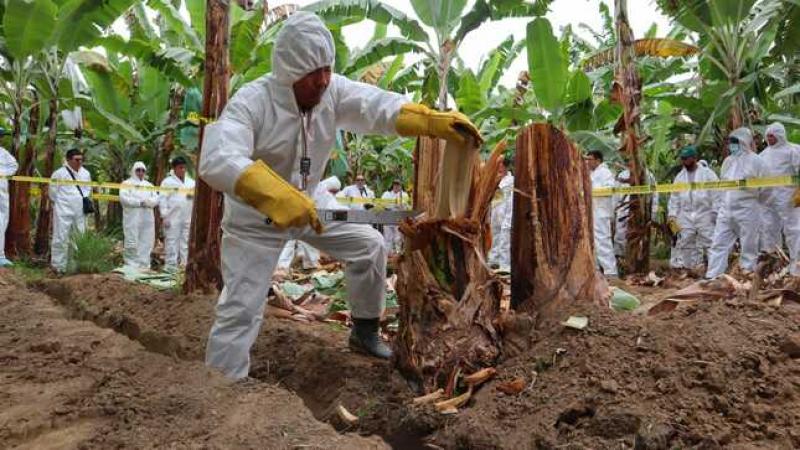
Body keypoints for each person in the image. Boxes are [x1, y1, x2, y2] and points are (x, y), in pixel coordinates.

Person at [199, 11, 481, 380]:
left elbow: (375, 105)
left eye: (327, 69)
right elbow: (217, 157)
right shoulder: (252, 103)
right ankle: (221, 383)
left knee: (370, 245)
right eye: (313, 73)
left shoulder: (333, 93)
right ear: (288, 72)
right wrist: (272, 193)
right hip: (256, 222)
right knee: (241, 307)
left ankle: (364, 332)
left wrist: (429, 120)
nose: (323, 81)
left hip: (314, 205)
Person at [706, 128, 769, 279]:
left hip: (748, 210)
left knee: (749, 245)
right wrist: (720, 205)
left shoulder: (757, 161)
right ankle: (713, 276)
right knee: (718, 243)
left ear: (744, 142)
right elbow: (723, 185)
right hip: (726, 210)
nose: (731, 145)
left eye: (735, 142)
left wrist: (757, 205)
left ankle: (745, 275)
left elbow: (767, 188)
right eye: (730, 142)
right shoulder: (728, 162)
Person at [667, 146, 720, 270]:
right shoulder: (680, 177)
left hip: (704, 213)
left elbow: (717, 194)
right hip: (685, 214)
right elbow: (674, 198)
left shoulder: (708, 174)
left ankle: (715, 271)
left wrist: (715, 212)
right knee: (685, 241)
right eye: (683, 159)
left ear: (694, 158)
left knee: (710, 241)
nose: (684, 162)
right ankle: (688, 269)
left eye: (687, 159)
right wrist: (672, 215)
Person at [758, 122, 800, 275]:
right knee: (769, 230)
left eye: (772, 135)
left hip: (788, 197)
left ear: (779, 135)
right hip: (768, 199)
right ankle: (774, 265)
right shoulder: (763, 155)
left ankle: (797, 266)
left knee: (793, 230)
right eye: (767, 135)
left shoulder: (793, 150)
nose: (769, 138)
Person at [277, 176, 343, 270]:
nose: (334, 194)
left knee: (301, 243)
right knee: (291, 243)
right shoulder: (318, 192)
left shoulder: (322, 193)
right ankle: (283, 267)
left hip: (304, 220)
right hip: (298, 219)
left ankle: (302, 263)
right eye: (334, 191)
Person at [50, 149, 92, 273]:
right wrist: (62, 203)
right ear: (68, 160)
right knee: (60, 237)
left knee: (78, 238)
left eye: (81, 159)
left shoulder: (86, 173)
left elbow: (87, 189)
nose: (79, 162)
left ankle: (73, 266)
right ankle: (58, 267)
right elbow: (53, 192)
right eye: (76, 159)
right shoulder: (59, 173)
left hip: (80, 211)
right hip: (63, 210)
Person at [613, 163, 659, 258]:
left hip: (641, 212)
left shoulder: (648, 176)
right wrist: (614, 210)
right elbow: (615, 195)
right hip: (623, 211)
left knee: (639, 237)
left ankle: (638, 261)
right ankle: (621, 259)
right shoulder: (622, 175)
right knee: (620, 236)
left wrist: (653, 213)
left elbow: (655, 195)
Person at [119, 161, 159, 270]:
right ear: (133, 171)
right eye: (138, 170)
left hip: (147, 218)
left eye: (142, 170)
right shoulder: (126, 184)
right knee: (132, 240)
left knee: (147, 240)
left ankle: (144, 264)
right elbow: (124, 199)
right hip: (132, 218)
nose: (140, 172)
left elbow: (156, 199)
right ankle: (131, 264)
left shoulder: (149, 185)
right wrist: (139, 203)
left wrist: (148, 202)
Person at [159, 156, 195, 272]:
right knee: (171, 241)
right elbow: (162, 199)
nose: (183, 170)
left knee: (186, 242)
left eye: (184, 167)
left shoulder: (191, 182)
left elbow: (194, 198)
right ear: (174, 169)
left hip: (188, 216)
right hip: (172, 217)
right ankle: (170, 267)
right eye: (180, 168)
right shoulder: (167, 182)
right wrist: (164, 216)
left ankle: (184, 266)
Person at [586, 150, 618, 277]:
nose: (587, 162)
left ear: (598, 160)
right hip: (593, 211)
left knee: (602, 241)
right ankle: (597, 270)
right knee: (593, 241)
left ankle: (610, 271)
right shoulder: (591, 174)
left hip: (601, 212)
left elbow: (609, 189)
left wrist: (592, 191)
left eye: (590, 159)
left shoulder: (605, 173)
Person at [488, 158, 514, 269]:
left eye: (499, 164)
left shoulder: (511, 181)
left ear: (504, 166)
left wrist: (508, 217)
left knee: (505, 241)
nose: (498, 166)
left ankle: (504, 266)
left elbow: (511, 201)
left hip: (506, 214)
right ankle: (494, 261)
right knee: (494, 238)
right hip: (495, 213)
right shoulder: (494, 179)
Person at [0, 128, 19, 267]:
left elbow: (14, 165)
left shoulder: (3, 153)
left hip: (1, 191)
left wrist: (1, 173)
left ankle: (0, 255)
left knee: (1, 222)